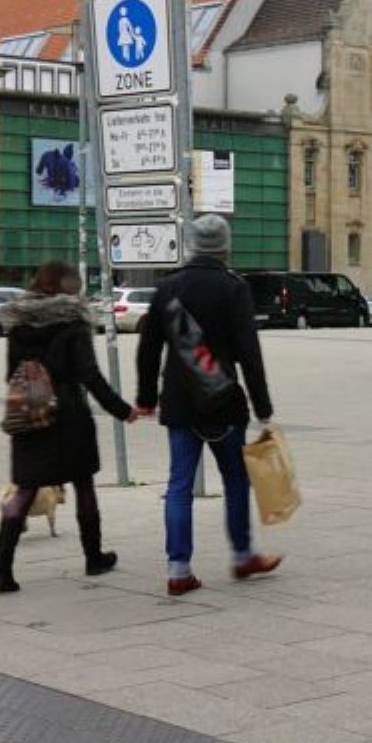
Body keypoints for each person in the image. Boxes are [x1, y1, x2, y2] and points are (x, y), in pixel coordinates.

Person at [136, 214, 281, 596]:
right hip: (223, 400)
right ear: (224, 247)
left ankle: (178, 570)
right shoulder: (233, 288)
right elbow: (249, 351)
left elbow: (148, 348)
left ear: (192, 245)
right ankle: (242, 556)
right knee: (236, 478)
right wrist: (262, 404)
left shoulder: (167, 287)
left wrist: (146, 398)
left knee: (179, 485)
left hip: (180, 401)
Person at [0, 260, 137, 593]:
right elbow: (90, 375)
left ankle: (1, 567)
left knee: (25, 489)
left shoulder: (19, 323)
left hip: (30, 413)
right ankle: (94, 557)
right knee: (83, 484)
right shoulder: (73, 322)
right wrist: (122, 410)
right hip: (69, 416)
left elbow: (11, 374)